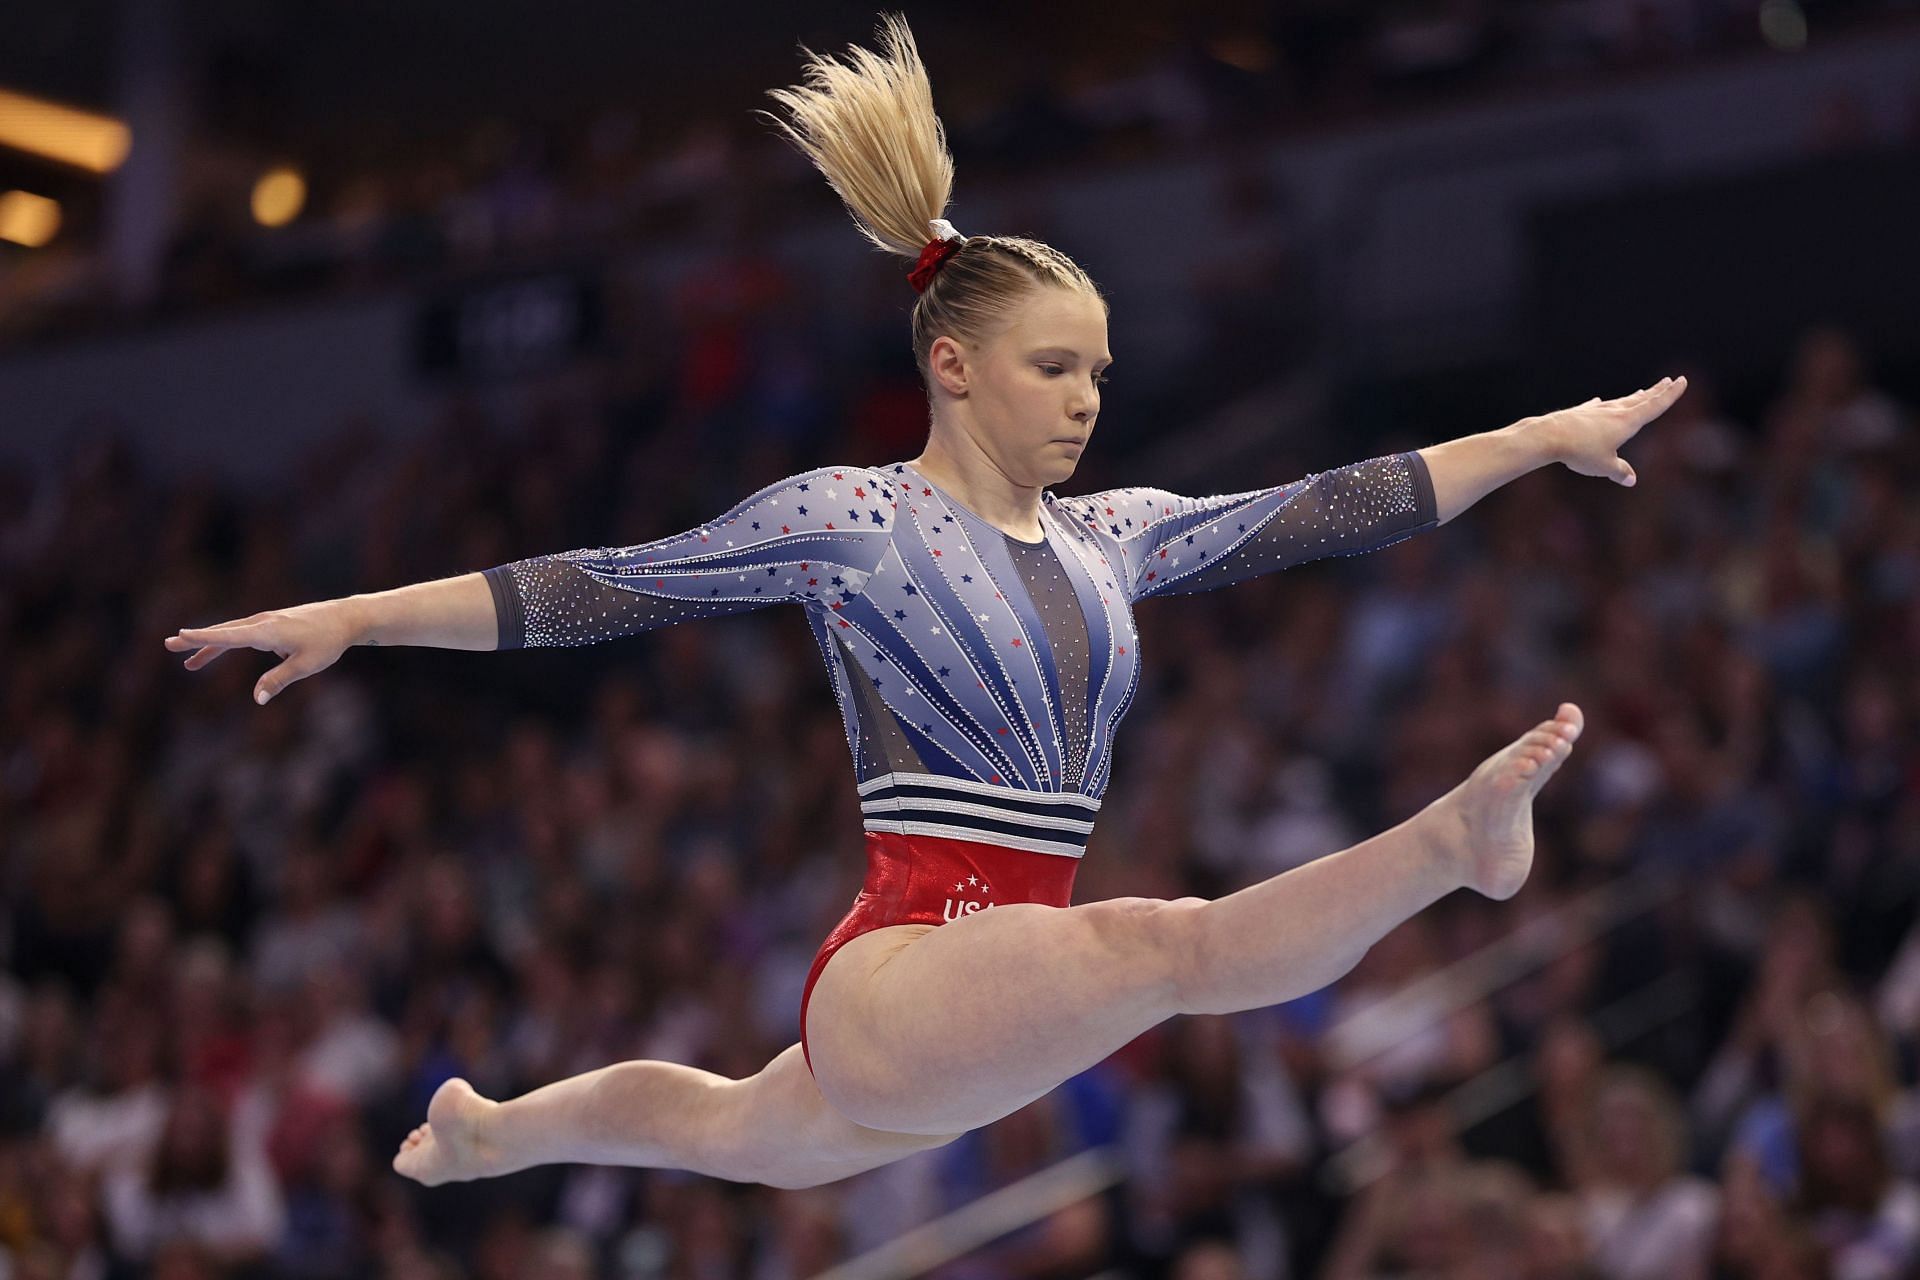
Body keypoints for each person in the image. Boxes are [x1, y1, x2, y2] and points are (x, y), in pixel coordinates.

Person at [164, 13, 1688, 1192]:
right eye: (1054, 366)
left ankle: (494, 1136)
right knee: (1161, 948)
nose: (1090, 396)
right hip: (900, 973)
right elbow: (594, 592)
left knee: (726, 1131)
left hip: (993, 981)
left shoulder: (1121, 534)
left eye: (1099, 367)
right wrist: (359, 614)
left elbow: (1341, 504)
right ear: (952, 365)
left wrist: (1546, 436)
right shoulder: (851, 521)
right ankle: (1452, 844)